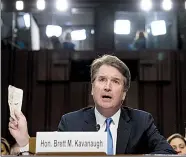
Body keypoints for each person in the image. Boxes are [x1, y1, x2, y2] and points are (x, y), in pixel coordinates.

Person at [9, 55, 176, 155]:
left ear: (124, 93)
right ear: (92, 88)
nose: (107, 86)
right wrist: (24, 141)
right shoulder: (70, 122)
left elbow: (168, 153)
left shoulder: (142, 121)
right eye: (102, 79)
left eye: (115, 81)